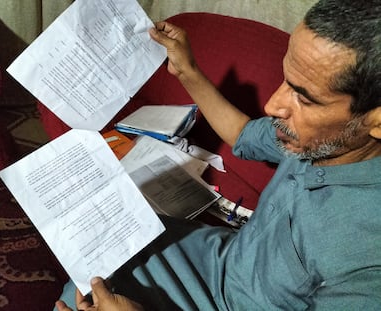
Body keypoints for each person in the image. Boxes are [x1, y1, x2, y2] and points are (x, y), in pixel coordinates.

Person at [56, 0, 381, 309]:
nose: (272, 106)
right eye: (286, 80)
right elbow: (242, 133)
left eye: (305, 99)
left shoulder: (368, 258)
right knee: (94, 252)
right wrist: (187, 71)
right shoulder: (315, 138)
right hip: (223, 260)